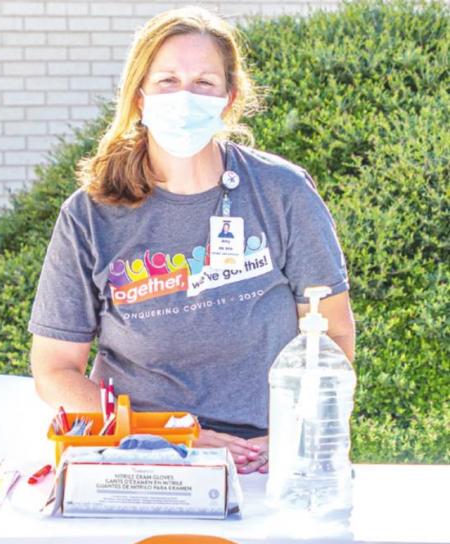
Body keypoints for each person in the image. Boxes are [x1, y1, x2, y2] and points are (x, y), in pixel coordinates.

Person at [28, 6, 355, 475]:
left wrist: (298, 434)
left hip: (266, 458)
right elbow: (55, 371)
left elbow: (334, 334)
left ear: (229, 97)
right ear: (139, 95)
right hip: (138, 456)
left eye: (204, 82)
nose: (185, 96)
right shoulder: (90, 215)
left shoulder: (281, 192)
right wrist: (165, 433)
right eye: (167, 81)